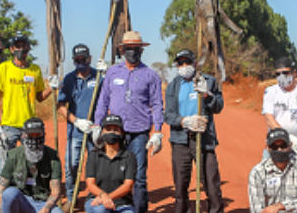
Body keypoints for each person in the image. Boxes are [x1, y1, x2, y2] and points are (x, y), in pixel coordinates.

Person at [94, 31, 164, 213]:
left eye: (136, 48)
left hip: (139, 132)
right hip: (114, 132)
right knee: (113, 173)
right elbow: (103, 100)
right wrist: (96, 125)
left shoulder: (150, 75)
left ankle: (139, 209)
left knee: (139, 176)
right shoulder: (112, 72)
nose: (132, 52)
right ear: (122, 50)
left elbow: (157, 104)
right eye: (128, 49)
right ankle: (115, 208)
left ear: (142, 50)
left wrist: (157, 132)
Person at [163, 49, 225, 213]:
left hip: (204, 140)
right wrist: (184, 121)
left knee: (211, 183)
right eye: (180, 63)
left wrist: (207, 95)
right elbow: (168, 115)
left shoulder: (209, 81)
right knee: (181, 185)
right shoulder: (173, 85)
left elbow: (218, 106)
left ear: (195, 63)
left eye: (188, 62)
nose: (184, 66)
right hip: (180, 140)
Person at [0, 33, 54, 194]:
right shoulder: (4, 68)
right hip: (9, 125)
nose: (21, 49)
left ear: (28, 48)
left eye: (24, 46)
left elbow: (40, 97)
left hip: (30, 126)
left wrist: (52, 88)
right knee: (4, 163)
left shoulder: (35, 70)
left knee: (32, 161)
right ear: (12, 49)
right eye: (17, 46)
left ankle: (31, 193)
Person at [57, 43, 104, 211]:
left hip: (95, 131)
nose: (81, 62)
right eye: (77, 60)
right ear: (73, 60)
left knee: (95, 166)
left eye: (84, 59)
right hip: (75, 132)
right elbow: (61, 105)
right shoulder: (69, 79)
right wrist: (76, 121)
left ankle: (93, 197)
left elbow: (107, 99)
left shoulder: (98, 77)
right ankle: (71, 197)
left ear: (89, 58)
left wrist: (98, 124)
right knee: (71, 166)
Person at [0, 117, 63, 213]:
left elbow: (56, 191)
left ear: (44, 135)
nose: (34, 138)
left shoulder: (53, 157)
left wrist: (45, 209)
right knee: (9, 193)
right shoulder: (14, 155)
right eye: (31, 135)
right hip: (22, 201)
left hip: (42, 202)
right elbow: (0, 188)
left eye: (38, 134)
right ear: (23, 136)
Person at [248, 128, 297, 213]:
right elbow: (257, 209)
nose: (279, 150)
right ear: (268, 148)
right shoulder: (257, 172)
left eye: (283, 145)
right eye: (274, 147)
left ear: (290, 145)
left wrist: (281, 206)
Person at [84, 115, 138, 213]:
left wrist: (107, 197)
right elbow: (90, 184)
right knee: (101, 210)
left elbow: (128, 185)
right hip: (97, 201)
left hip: (122, 203)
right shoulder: (94, 155)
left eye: (116, 130)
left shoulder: (129, 156)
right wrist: (102, 196)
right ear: (102, 133)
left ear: (122, 133)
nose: (112, 132)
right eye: (108, 129)